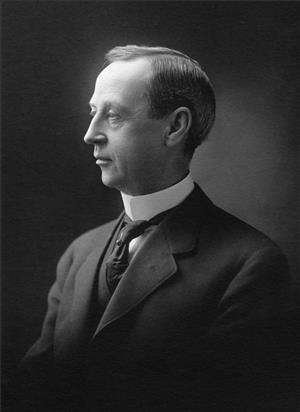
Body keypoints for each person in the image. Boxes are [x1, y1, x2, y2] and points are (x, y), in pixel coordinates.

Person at [18, 45, 296, 412]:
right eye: (93, 113)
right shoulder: (80, 252)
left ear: (175, 127)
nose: (90, 134)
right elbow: (33, 390)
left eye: (113, 116)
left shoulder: (249, 265)